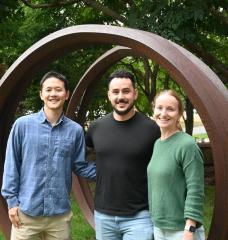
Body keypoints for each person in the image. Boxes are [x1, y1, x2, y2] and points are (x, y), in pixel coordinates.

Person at [1, 71, 96, 240]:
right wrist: (11, 202)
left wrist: (113, 170)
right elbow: (11, 164)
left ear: (66, 94)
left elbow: (80, 165)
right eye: (48, 89)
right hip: (25, 214)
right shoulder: (22, 125)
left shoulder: (75, 131)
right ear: (41, 94)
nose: (53, 94)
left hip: (59, 217)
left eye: (58, 90)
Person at [85, 69, 160, 240]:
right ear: (109, 95)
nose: (121, 97)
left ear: (135, 93)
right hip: (103, 216)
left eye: (126, 91)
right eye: (116, 92)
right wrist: (99, 172)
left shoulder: (152, 129)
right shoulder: (96, 127)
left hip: (139, 215)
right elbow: (80, 156)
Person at [147, 90, 205, 240]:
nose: (163, 113)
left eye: (170, 109)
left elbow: (196, 189)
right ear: (153, 109)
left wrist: (189, 229)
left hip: (182, 230)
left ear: (179, 114)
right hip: (160, 227)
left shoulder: (187, 145)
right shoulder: (157, 144)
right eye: (159, 108)